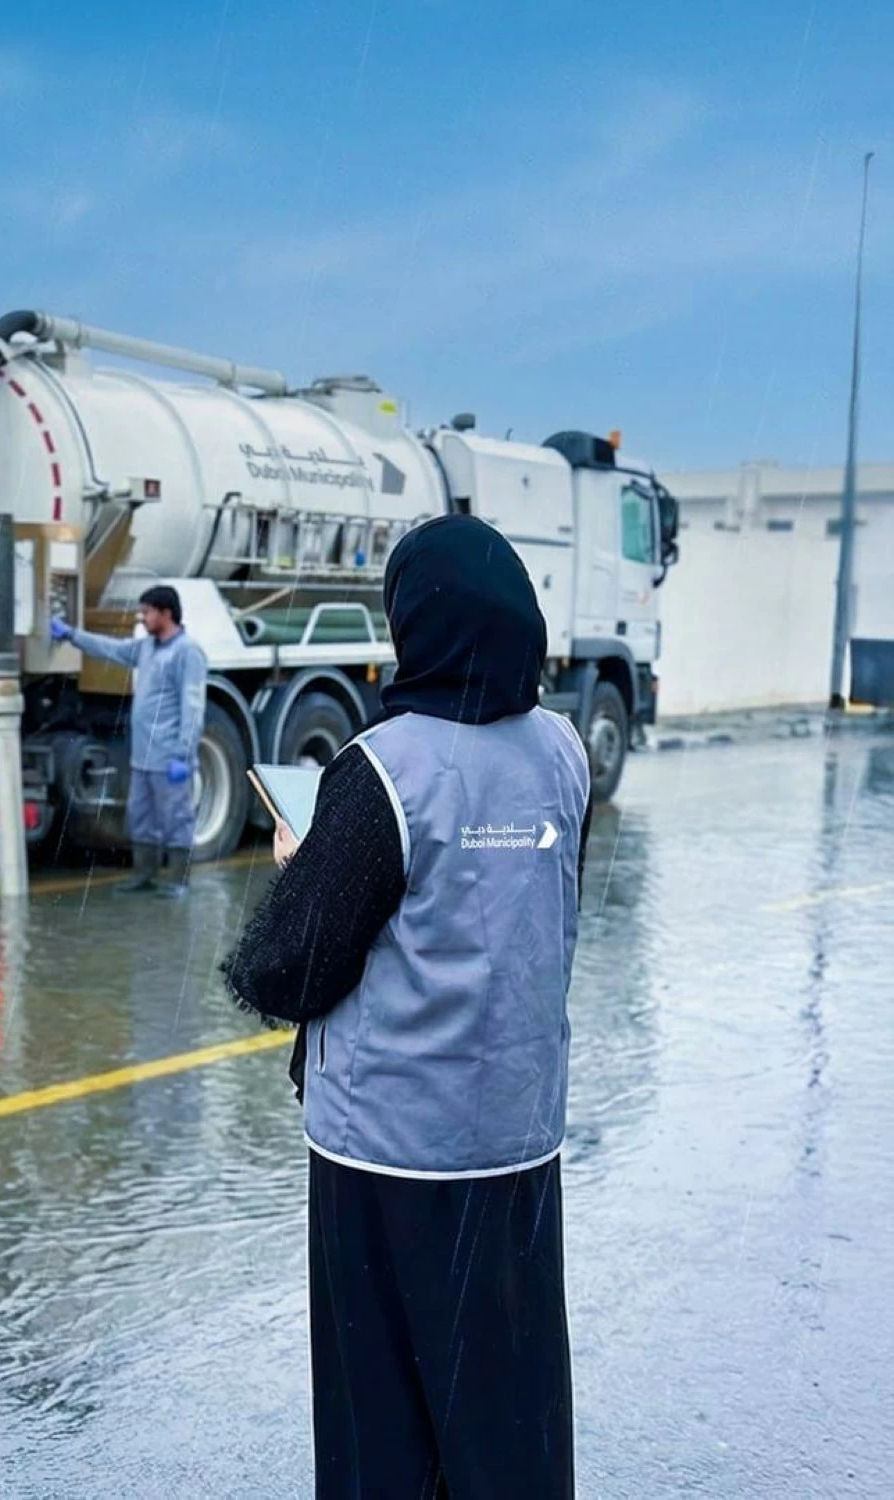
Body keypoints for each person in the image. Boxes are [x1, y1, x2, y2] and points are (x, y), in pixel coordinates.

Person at [222, 514, 592, 1499]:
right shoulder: (561, 754)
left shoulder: (385, 769)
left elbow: (283, 972)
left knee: (379, 1417)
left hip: (386, 1159)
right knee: (507, 1411)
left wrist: (302, 865)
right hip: (518, 1144)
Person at [52, 585, 207, 897]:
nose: (142, 617)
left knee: (176, 818)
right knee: (141, 817)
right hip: (143, 757)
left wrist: (183, 753)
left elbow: (193, 706)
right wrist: (71, 635)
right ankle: (144, 875)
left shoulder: (187, 652)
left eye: (147, 611)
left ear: (166, 613)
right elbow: (109, 648)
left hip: (169, 758)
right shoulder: (146, 648)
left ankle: (178, 880)